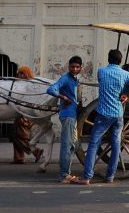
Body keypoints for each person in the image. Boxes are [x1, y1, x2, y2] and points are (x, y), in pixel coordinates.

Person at [77, 49, 129, 185]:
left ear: (108, 59)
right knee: (116, 144)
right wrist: (127, 94)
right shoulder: (125, 74)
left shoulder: (101, 71)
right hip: (118, 114)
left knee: (93, 144)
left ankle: (86, 177)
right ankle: (110, 177)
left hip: (104, 113)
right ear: (120, 61)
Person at [46, 55, 83, 184]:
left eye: (77, 67)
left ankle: (66, 172)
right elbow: (51, 89)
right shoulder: (66, 78)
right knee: (67, 145)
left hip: (73, 115)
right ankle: (64, 175)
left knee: (74, 144)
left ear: (81, 68)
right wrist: (63, 97)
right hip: (67, 115)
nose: (74, 69)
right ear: (68, 67)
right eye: (72, 67)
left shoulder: (77, 79)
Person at [12, 65, 43, 164]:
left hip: (25, 115)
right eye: (18, 73)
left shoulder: (29, 85)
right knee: (15, 134)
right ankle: (18, 158)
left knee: (20, 137)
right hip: (20, 113)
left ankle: (35, 151)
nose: (19, 75)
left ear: (26, 74)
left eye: (21, 73)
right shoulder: (20, 84)